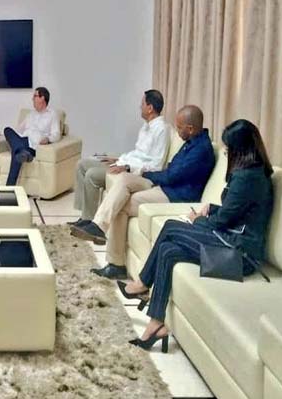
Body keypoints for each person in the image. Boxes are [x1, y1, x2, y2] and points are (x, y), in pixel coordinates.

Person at [119, 119, 274, 352]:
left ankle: (142, 284)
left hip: (239, 255)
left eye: (228, 149)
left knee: (171, 227)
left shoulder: (247, 178)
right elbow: (238, 212)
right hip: (231, 241)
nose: (226, 153)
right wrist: (211, 209)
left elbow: (222, 222)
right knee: (168, 250)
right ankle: (156, 323)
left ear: (240, 150)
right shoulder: (254, 172)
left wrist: (197, 219)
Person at [73, 105, 215, 280]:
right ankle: (98, 226)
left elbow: (172, 176)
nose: (177, 132)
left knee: (121, 204)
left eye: (179, 128)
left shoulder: (201, 150)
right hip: (164, 185)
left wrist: (145, 174)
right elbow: (172, 170)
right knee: (124, 179)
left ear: (190, 128)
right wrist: (137, 172)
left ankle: (116, 264)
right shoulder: (191, 142)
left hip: (175, 196)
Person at [70, 90, 169, 223]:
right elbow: (138, 153)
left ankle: (88, 220)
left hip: (134, 172)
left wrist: (127, 167)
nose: (140, 107)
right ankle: (83, 215)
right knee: (81, 164)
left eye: (142, 104)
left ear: (150, 108)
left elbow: (156, 165)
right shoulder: (146, 126)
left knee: (92, 175)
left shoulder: (161, 129)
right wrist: (119, 159)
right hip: (125, 163)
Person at [0, 86, 60, 185]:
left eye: (35, 96)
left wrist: (48, 139)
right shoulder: (30, 114)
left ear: (42, 98)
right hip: (22, 141)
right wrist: (0, 134)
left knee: (16, 153)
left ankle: (9, 187)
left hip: (33, 146)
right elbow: (17, 131)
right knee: (7, 130)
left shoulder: (52, 114)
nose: (32, 99)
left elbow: (56, 134)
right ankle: (22, 152)